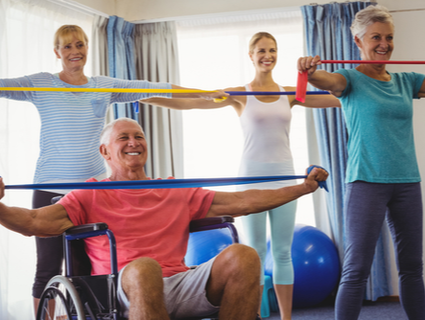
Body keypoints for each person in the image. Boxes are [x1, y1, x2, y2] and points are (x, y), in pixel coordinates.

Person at [0, 117, 328, 320]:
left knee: (244, 256)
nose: (133, 142)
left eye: (139, 136)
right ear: (105, 152)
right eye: (124, 138)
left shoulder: (174, 189)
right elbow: (33, 223)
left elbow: (243, 200)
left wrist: (302, 187)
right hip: (123, 288)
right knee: (145, 267)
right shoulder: (89, 194)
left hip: (181, 283)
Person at [0, 24, 226, 313]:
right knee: (47, 269)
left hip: (90, 194)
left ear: (87, 49)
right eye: (67, 46)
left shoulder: (102, 86)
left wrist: (204, 93)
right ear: (57, 52)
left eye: (79, 45)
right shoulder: (41, 83)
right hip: (49, 188)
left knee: (86, 270)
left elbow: (152, 88)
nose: (74, 52)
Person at [141, 31, 340, 319]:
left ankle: (285, 317)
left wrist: (367, 88)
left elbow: (337, 99)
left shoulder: (290, 93)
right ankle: (256, 315)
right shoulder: (239, 94)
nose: (267, 56)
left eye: (272, 50)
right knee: (255, 250)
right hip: (251, 178)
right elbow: (193, 102)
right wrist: (145, 97)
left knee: (283, 252)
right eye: (261, 50)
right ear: (250, 55)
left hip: (285, 177)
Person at [297, 5, 425, 320]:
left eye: (389, 37)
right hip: (366, 182)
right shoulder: (349, 80)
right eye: (376, 37)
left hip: (407, 182)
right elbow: (324, 81)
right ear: (358, 42)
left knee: (412, 268)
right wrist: (309, 72)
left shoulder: (407, 81)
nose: (384, 44)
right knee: (356, 270)